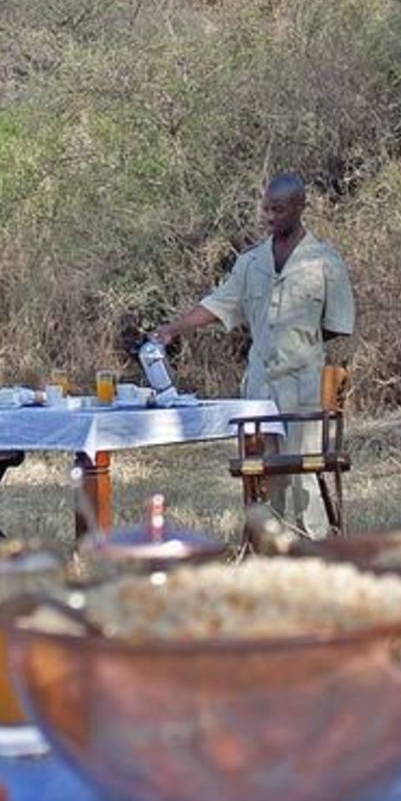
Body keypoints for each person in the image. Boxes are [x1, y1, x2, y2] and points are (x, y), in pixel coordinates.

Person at [155, 173, 355, 537]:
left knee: (306, 475)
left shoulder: (325, 262)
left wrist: (297, 344)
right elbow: (220, 304)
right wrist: (175, 328)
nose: (269, 217)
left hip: (305, 386)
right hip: (261, 388)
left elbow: (337, 326)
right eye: (265, 209)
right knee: (263, 473)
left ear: (299, 208)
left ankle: (316, 548)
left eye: (278, 210)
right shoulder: (251, 263)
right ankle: (269, 547)